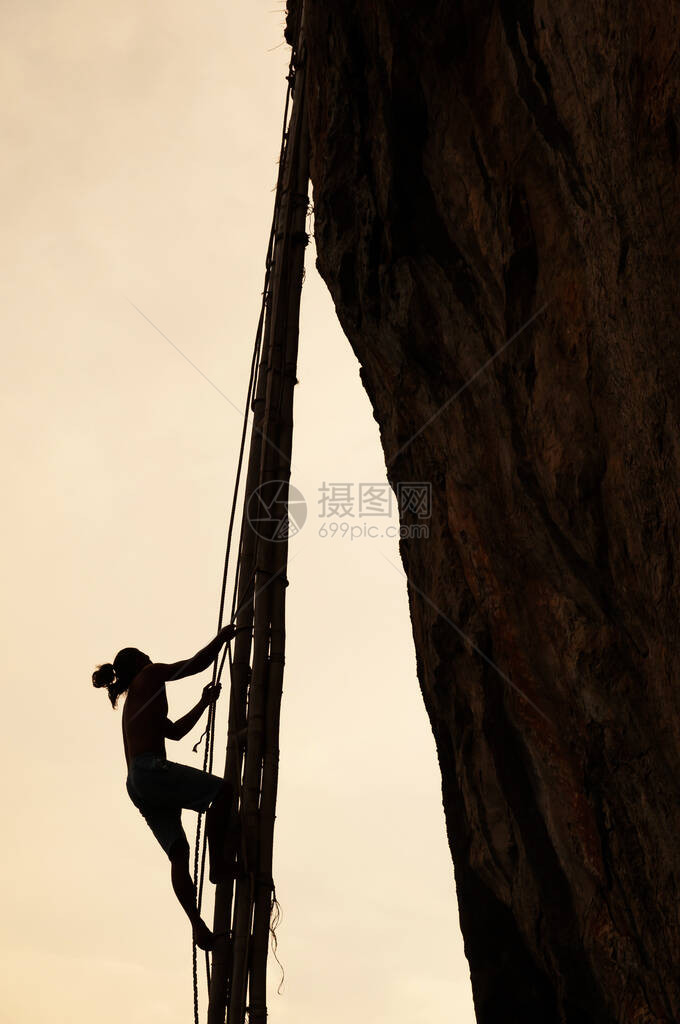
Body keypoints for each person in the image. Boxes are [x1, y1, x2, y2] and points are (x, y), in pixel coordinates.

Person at [92, 624, 240, 950]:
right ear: (140, 662)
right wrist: (223, 638)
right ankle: (219, 865)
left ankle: (198, 928)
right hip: (150, 770)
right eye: (147, 655)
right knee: (225, 792)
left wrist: (204, 703)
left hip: (137, 784)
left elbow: (174, 733)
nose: (151, 657)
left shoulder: (138, 700)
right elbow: (195, 664)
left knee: (179, 853)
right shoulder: (151, 675)